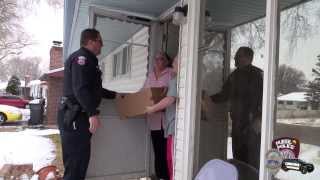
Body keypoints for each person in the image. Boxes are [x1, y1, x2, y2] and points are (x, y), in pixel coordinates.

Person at [57, 28, 116, 180]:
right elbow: (80, 88)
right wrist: (92, 113)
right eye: (100, 41)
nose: (102, 45)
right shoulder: (81, 58)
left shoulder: (89, 59)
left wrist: (116, 95)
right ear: (91, 41)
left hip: (78, 117)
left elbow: (93, 89)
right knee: (75, 164)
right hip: (75, 117)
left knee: (80, 161)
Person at [209, 46, 263, 169]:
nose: (235, 58)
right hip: (237, 124)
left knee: (252, 160)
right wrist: (206, 99)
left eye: (238, 56)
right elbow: (224, 95)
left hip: (253, 126)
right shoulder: (234, 76)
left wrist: (258, 119)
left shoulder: (257, 75)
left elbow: (264, 100)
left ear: (248, 58)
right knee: (238, 159)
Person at [146, 56, 178, 180]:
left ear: (166, 61)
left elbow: (171, 96)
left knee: (167, 153)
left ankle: (166, 176)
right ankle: (160, 176)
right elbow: (144, 93)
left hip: (166, 120)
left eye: (162, 59)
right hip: (154, 120)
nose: (159, 61)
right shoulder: (150, 76)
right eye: (157, 58)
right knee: (157, 151)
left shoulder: (171, 73)